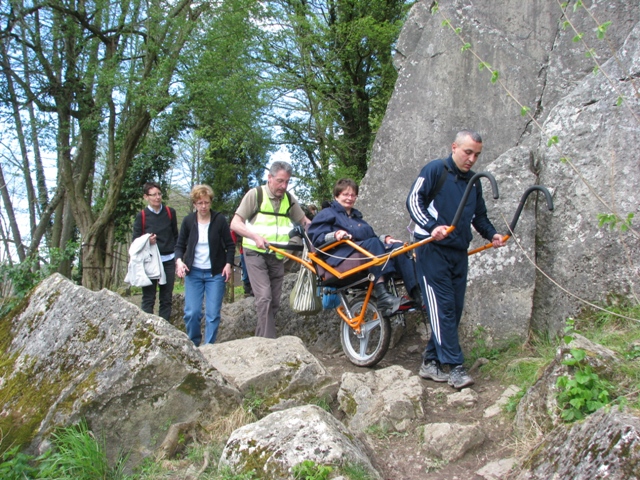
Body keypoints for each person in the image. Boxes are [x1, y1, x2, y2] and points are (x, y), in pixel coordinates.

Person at [406, 130, 506, 389]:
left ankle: (430, 361)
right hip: (431, 249)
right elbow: (413, 201)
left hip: (458, 252)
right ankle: (456, 367)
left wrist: (492, 234)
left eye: (477, 155)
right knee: (444, 307)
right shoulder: (435, 169)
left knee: (454, 309)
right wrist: (431, 226)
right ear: (454, 147)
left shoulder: (474, 181)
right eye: (468, 152)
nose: (472, 159)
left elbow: (479, 217)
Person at [308, 178, 420, 315]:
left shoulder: (357, 218)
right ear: (337, 196)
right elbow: (316, 237)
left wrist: (386, 239)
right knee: (372, 244)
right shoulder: (327, 213)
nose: (349, 198)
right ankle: (383, 296)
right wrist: (335, 234)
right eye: (345, 194)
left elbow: (371, 237)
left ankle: (418, 294)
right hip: (340, 256)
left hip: (361, 249)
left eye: (352, 195)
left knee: (398, 248)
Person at [230, 161, 311, 338]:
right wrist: (255, 237)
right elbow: (235, 224)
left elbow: (305, 223)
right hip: (254, 253)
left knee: (274, 302)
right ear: (270, 177)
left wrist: (323, 233)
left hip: (278, 255)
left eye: (287, 182)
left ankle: (260, 341)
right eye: (280, 181)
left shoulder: (289, 199)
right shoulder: (255, 195)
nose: (284, 186)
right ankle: (270, 342)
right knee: (264, 297)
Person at [175, 185, 235, 346]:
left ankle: (209, 346)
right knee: (192, 313)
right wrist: (179, 261)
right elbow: (179, 246)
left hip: (215, 273)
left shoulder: (219, 220)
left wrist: (228, 264)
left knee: (212, 314)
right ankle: (194, 344)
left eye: (206, 203)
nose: (203, 206)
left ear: (210, 203)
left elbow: (230, 245)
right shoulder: (188, 221)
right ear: (194, 204)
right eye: (200, 203)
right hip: (193, 272)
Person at [132, 182, 178, 321]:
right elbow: (135, 242)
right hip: (150, 261)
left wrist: (178, 258)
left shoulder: (170, 213)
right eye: (154, 195)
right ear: (146, 197)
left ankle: (165, 328)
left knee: (166, 297)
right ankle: (148, 328)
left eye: (159, 194)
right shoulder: (142, 216)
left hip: (169, 260)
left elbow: (176, 236)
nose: (157, 198)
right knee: (148, 298)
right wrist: (147, 241)